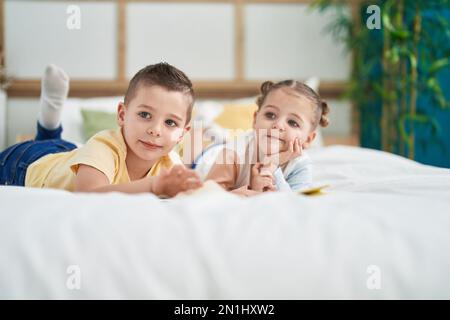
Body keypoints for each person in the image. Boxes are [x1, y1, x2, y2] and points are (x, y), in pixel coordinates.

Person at [0, 63, 203, 198]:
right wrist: (154, 186)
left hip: (70, 153)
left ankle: (49, 126)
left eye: (170, 123)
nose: (155, 130)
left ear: (182, 134)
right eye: (145, 115)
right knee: (45, 148)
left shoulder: (170, 164)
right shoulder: (104, 146)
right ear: (122, 115)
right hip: (23, 164)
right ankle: (48, 124)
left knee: (66, 152)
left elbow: (194, 193)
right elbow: (87, 195)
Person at [191, 80, 330, 196]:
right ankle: (203, 122)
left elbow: (294, 202)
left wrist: (272, 167)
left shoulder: (300, 165)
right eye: (270, 115)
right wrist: (249, 192)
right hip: (208, 159)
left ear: (308, 140)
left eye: (292, 122)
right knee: (199, 148)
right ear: (255, 119)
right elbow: (211, 194)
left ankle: (217, 131)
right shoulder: (232, 153)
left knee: (228, 137)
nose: (278, 125)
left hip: (243, 141)